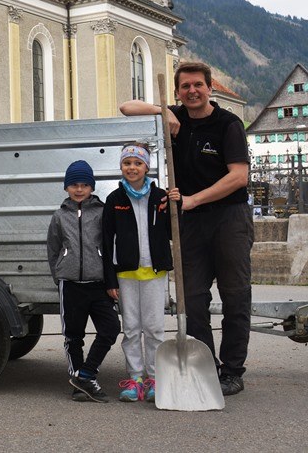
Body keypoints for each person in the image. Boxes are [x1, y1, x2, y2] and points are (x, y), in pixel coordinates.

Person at [120, 61, 253, 396]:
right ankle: (207, 367)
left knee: (235, 297)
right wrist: (162, 110)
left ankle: (232, 371)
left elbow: (239, 176)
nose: (192, 91)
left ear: (209, 88)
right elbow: (125, 107)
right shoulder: (175, 117)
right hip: (190, 223)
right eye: (185, 87)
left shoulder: (228, 124)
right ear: (178, 91)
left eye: (198, 85)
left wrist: (194, 200)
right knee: (191, 300)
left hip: (229, 218)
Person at [102, 143, 180, 403]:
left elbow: (174, 232)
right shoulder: (115, 200)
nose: (132, 167)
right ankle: (135, 378)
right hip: (126, 275)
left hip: (154, 274)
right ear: (121, 167)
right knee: (132, 329)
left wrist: (176, 206)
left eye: (137, 163)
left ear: (147, 167)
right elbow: (106, 241)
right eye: (127, 163)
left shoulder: (160, 197)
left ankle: (154, 379)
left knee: (155, 328)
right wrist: (110, 279)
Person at [47, 159, 121, 403]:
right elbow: (53, 248)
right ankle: (78, 385)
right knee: (73, 336)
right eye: (74, 185)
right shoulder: (59, 216)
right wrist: (59, 275)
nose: (79, 189)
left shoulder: (102, 212)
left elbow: (110, 246)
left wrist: (110, 278)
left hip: (98, 284)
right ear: (66, 187)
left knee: (110, 328)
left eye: (85, 185)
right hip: (70, 285)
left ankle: (86, 374)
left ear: (92, 187)